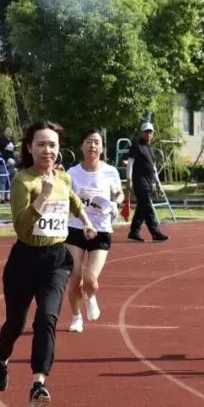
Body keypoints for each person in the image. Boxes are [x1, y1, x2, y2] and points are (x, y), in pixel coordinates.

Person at [0, 121, 97, 407]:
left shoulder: (62, 179)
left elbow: (74, 201)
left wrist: (87, 224)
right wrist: (42, 196)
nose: (47, 150)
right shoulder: (22, 181)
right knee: (16, 324)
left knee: (47, 318)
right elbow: (21, 226)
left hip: (56, 260)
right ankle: (1, 357)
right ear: (29, 147)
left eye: (52, 145)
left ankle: (39, 382)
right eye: (41, 144)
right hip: (25, 260)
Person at [65, 129, 124, 333]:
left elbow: (119, 193)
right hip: (76, 227)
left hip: (101, 229)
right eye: (89, 142)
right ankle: (76, 316)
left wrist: (115, 203)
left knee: (90, 278)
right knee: (75, 277)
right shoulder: (72, 173)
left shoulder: (110, 171)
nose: (92, 146)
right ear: (82, 146)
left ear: (102, 148)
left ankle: (91, 295)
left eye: (97, 142)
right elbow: (66, 198)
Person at [126, 122, 169, 242]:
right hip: (139, 181)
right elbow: (130, 163)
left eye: (150, 132)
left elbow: (154, 168)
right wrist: (129, 180)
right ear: (142, 133)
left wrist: (158, 184)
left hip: (150, 181)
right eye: (146, 131)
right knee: (148, 206)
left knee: (142, 207)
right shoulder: (136, 146)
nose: (148, 134)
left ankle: (133, 232)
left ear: (153, 134)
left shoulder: (150, 148)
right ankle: (155, 232)